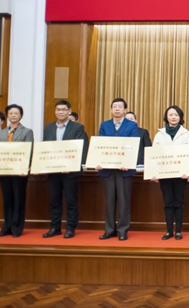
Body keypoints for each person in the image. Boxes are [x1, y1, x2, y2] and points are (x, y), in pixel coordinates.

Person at [0, 104, 34, 238]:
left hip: (20, 171)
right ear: (7, 116)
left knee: (18, 199)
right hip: (4, 169)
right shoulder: (2, 132)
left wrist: (26, 167)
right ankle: (6, 227)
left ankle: (16, 228)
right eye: (11, 113)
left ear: (21, 115)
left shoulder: (27, 131)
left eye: (16, 113)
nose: (13, 115)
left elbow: (29, 150)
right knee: (7, 199)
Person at [41, 100, 88, 239]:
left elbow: (82, 148)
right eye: (58, 109)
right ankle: (54, 227)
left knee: (71, 201)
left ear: (69, 111)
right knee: (54, 200)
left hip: (70, 172)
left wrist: (72, 165)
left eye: (63, 109)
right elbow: (45, 147)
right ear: (55, 111)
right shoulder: (49, 127)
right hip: (53, 171)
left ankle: (70, 228)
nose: (60, 112)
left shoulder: (78, 127)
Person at [97, 98, 139, 241]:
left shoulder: (132, 125)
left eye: (120, 107)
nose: (116, 109)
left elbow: (133, 145)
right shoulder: (105, 125)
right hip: (108, 169)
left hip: (124, 169)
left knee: (123, 201)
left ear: (125, 110)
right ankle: (109, 230)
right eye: (114, 106)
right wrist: (99, 161)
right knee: (109, 201)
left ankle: (122, 230)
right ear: (111, 109)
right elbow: (100, 145)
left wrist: (127, 161)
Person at [152, 105, 189, 240]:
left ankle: (179, 231)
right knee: (168, 202)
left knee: (179, 202)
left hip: (181, 174)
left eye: (176, 115)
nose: (173, 117)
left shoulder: (186, 134)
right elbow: (155, 154)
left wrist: (188, 172)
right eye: (171, 115)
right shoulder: (160, 134)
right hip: (165, 174)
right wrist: (154, 173)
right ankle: (169, 231)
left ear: (180, 117)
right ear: (166, 117)